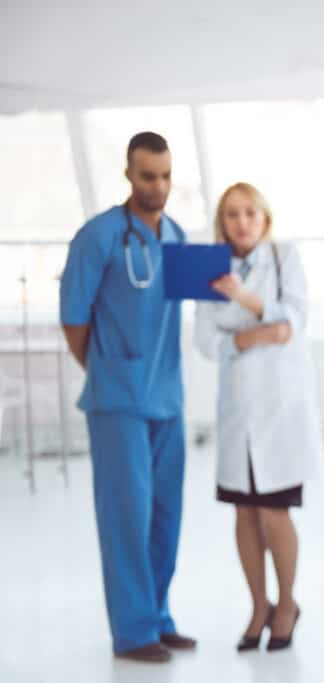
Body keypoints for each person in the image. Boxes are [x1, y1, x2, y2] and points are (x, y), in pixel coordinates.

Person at [60, 132, 196, 663]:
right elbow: (74, 321)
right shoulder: (97, 237)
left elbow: (196, 310)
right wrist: (110, 372)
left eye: (164, 176)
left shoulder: (179, 235)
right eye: (147, 176)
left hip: (167, 398)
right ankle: (133, 631)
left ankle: (159, 617)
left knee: (166, 515)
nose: (157, 186)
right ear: (127, 173)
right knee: (126, 516)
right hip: (118, 401)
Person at [194, 182, 323, 652]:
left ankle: (287, 603)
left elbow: (293, 323)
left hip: (280, 409)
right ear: (221, 223)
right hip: (237, 412)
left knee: (274, 511)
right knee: (244, 513)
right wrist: (249, 337)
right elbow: (206, 341)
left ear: (264, 219)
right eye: (231, 214)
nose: (241, 221)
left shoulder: (285, 257)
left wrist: (245, 302)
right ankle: (258, 605)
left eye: (250, 212)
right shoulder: (209, 268)